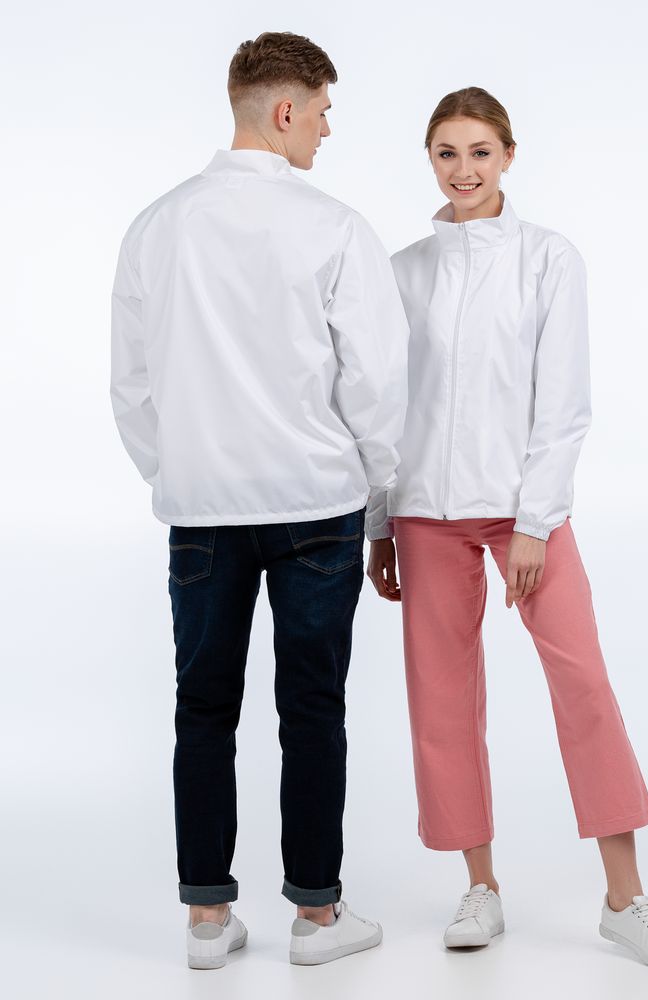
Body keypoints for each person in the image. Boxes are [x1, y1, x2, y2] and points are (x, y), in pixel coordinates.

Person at [366, 87, 648, 973]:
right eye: (446, 152)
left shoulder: (550, 259)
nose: (463, 169)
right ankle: (480, 886)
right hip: (423, 511)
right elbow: (386, 406)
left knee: (582, 679)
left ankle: (624, 899)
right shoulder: (403, 272)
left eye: (479, 151)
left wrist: (537, 521)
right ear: (429, 159)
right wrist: (379, 522)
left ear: (508, 155)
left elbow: (565, 402)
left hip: (522, 511)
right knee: (441, 698)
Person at [110, 32, 409, 969]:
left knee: (202, 707)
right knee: (312, 707)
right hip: (315, 503)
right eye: (321, 111)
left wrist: (179, 472)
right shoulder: (335, 227)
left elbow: (132, 384)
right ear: (284, 110)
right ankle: (317, 920)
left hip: (201, 510)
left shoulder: (156, 226)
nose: (327, 129)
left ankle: (207, 921)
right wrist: (378, 494)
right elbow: (376, 383)